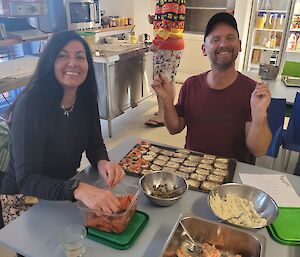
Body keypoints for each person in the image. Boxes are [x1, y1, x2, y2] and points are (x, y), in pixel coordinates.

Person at [0, 31, 125, 227]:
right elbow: (27, 180)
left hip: (64, 187)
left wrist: (103, 163)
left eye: (80, 57)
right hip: (23, 198)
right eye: (62, 56)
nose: (72, 63)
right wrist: (77, 188)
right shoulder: (31, 104)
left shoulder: (86, 97)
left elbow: (94, 143)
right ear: (50, 62)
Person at [151, 12, 272, 163]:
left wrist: (259, 114)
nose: (223, 44)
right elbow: (174, 128)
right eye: (215, 39)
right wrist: (168, 103)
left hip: (231, 176)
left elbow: (258, 150)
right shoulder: (191, 85)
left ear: (239, 45)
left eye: (230, 38)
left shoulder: (252, 91)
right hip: (193, 169)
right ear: (204, 49)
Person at [145, 0, 186, 127]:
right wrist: (156, 20)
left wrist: (157, 42)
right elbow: (170, 19)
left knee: (162, 81)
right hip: (170, 45)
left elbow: (168, 23)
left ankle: (163, 115)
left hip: (167, 46)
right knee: (168, 80)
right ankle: (164, 111)